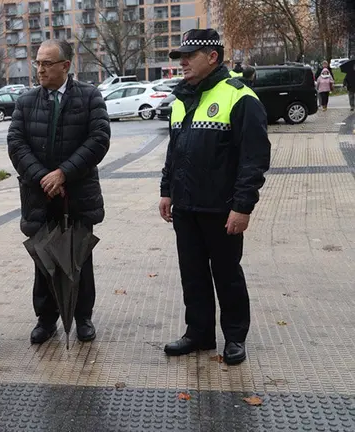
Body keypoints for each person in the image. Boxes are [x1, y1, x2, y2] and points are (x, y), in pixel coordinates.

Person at [160, 29, 271, 366]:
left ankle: (235, 337)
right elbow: (174, 152)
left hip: (221, 210)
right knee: (192, 274)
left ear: (212, 57)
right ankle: (199, 333)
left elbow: (254, 158)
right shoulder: (181, 100)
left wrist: (242, 206)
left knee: (227, 275)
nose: (182, 63)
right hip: (185, 207)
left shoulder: (240, 97)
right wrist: (166, 191)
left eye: (188, 56)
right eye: (180, 57)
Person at [8, 39, 111, 345]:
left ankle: (83, 317)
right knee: (43, 259)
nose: (40, 69)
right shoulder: (26, 102)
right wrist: (43, 177)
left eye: (47, 63)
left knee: (80, 257)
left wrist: (63, 173)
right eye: (38, 63)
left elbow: (99, 139)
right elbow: (16, 143)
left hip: (77, 196)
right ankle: (46, 319)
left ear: (66, 66)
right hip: (40, 197)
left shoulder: (89, 96)